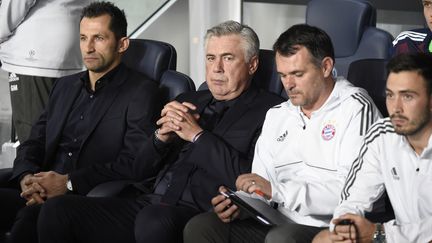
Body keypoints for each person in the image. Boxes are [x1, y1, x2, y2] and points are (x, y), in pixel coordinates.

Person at [36, 20, 284, 243]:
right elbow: (139, 169)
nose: (217, 68)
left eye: (228, 58)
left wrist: (198, 136)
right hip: (148, 203)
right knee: (57, 210)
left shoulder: (271, 111)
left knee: (154, 219)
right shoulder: (189, 99)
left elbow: (249, 179)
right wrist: (160, 138)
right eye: (210, 58)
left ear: (252, 65)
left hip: (201, 213)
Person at [184, 24, 382, 243]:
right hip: (275, 222)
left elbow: (354, 192)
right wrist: (242, 203)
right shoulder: (278, 114)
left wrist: (277, 191)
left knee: (282, 238)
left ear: (325, 67)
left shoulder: (355, 107)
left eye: (297, 74)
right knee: (203, 226)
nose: (289, 85)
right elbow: (261, 183)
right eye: (283, 75)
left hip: (327, 228)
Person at [0, 2, 160, 242]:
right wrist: (27, 178)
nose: (89, 47)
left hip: (85, 195)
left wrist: (68, 183)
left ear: (122, 44)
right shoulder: (65, 86)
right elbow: (35, 140)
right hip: (40, 188)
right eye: (84, 38)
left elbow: (134, 162)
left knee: (33, 218)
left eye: (99, 38)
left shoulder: (141, 91)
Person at [312, 53, 432, 243]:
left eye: (408, 96)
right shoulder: (383, 134)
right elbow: (352, 199)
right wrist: (346, 228)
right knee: (324, 239)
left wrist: (381, 233)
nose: (396, 108)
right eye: (390, 95)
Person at [0, 0, 92, 141]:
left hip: (35, 59)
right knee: (61, 139)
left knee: (34, 139)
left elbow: (15, 7)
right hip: (73, 55)